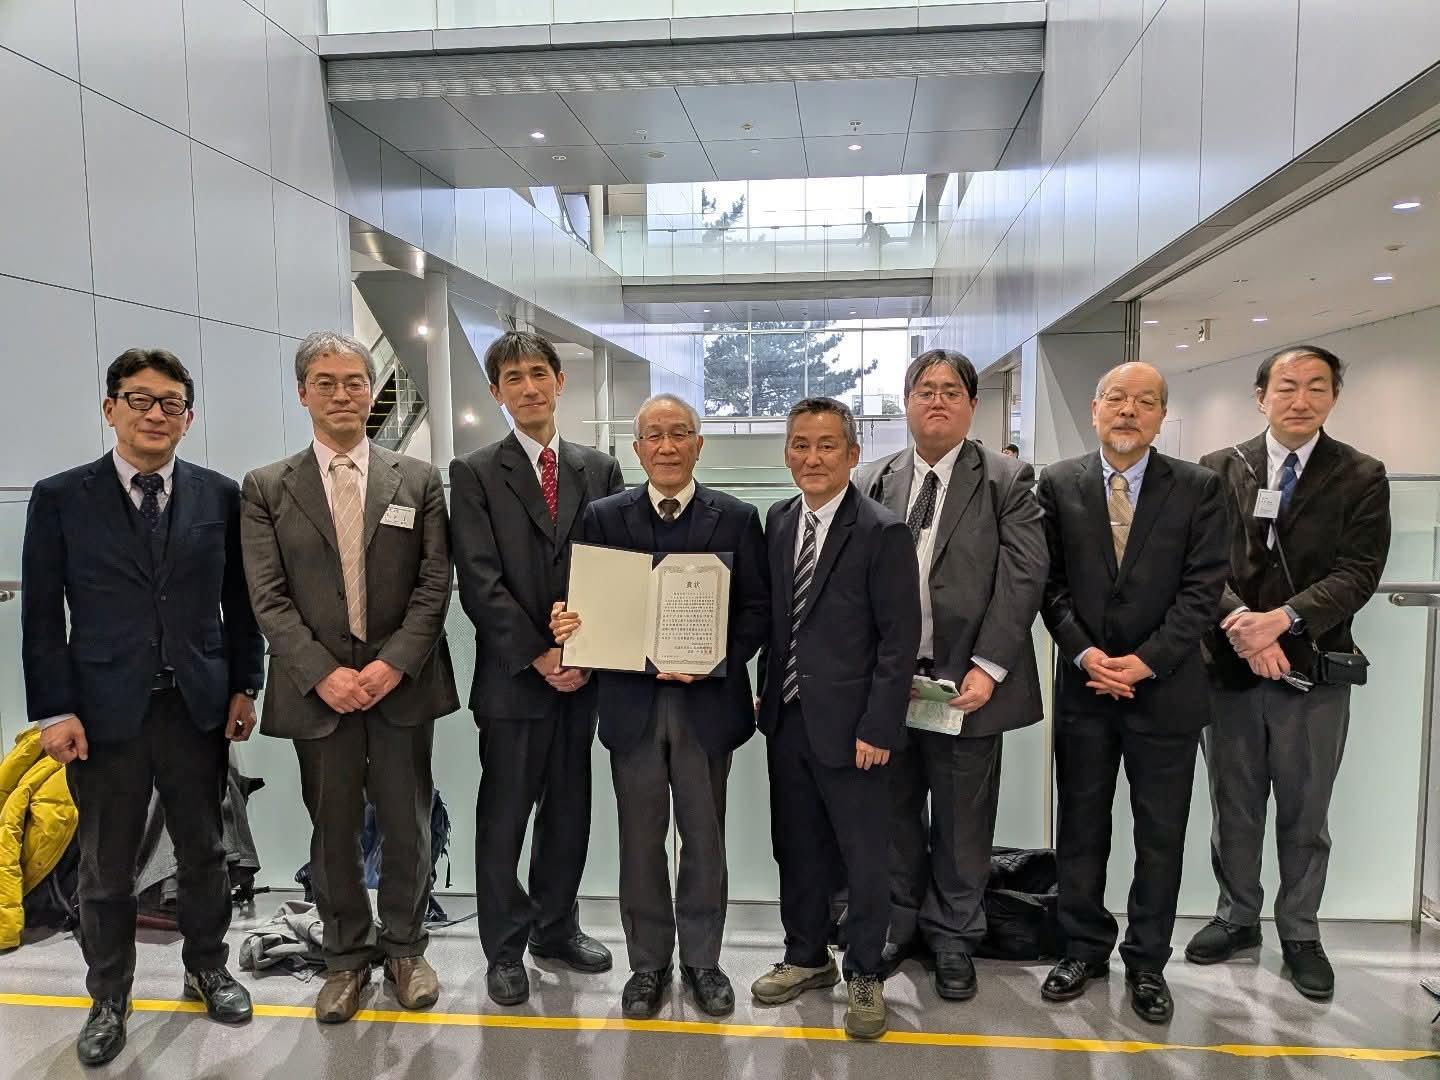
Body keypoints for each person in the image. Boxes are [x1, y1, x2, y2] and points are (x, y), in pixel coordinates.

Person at [21, 348, 264, 1067]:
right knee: (106, 865)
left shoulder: (219, 496)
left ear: (188, 418)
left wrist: (246, 685)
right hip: (102, 715)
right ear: (110, 408)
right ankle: (108, 996)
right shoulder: (61, 497)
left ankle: (208, 968)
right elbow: (42, 618)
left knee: (206, 852)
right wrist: (54, 711)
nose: (155, 414)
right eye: (139, 399)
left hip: (197, 707)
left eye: (171, 403)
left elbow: (240, 604)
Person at [240, 331, 458, 1024]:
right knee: (331, 831)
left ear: (372, 391)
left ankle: (406, 949)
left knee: (408, 824)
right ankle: (344, 958)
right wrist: (323, 673)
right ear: (303, 393)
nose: (342, 394)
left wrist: (392, 664)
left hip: (402, 686)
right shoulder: (267, 487)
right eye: (326, 382)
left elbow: (434, 584)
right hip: (319, 692)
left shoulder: (417, 479)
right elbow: (267, 597)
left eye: (355, 381)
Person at [550, 394, 769, 1020]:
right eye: (654, 436)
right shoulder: (603, 517)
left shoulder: (736, 517)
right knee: (640, 842)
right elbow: (586, 604)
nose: (667, 446)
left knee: (704, 840)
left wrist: (714, 656)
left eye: (679, 434)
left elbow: (757, 610)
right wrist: (570, 623)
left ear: (699, 444)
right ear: (637, 449)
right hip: (632, 707)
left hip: (706, 706)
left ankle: (703, 961)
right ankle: (647, 963)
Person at [1188, 345, 1390, 1001]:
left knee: (1306, 813)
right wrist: (1244, 627)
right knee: (1234, 806)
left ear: (1334, 396)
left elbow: (1359, 573)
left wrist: (1282, 622)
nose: (1300, 399)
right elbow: (1198, 565)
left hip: (1313, 673)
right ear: (1261, 396)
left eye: (1316, 387)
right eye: (1286, 386)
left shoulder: (1361, 474)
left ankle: (1300, 932)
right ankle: (1237, 917)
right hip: (1230, 670)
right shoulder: (1219, 468)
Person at [1036, 362, 1227, 1024]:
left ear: (1161, 416)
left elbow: (1203, 589)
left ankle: (1147, 962)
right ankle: (1083, 948)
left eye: (1145, 402)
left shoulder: (1199, 487)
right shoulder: (1058, 483)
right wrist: (1086, 654)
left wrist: (1145, 662)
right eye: (1116, 398)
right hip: (1085, 688)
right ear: (1095, 409)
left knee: (1160, 835)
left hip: (1166, 692)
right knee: (1081, 827)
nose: (1128, 410)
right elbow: (1049, 584)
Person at [855, 350, 1047, 1001]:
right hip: (892, 685)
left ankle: (955, 936)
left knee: (964, 821)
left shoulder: (1006, 478)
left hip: (967, 685)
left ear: (971, 404)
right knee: (894, 813)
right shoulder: (875, 478)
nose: (936, 400)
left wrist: (989, 667)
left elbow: (1023, 577)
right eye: (925, 390)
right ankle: (900, 923)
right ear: (907, 402)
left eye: (950, 391)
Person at [449, 331, 623, 1007]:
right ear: (497, 392)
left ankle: (556, 927)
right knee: (504, 820)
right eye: (513, 378)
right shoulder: (474, 472)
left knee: (570, 813)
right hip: (514, 680)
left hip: (583, 679)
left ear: (559, 381)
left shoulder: (598, 468)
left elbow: (615, 568)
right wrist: (540, 653)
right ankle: (504, 947)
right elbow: (479, 580)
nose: (528, 387)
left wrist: (585, 653)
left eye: (538, 374)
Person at [751, 397, 920, 1040]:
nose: (812, 457)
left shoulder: (881, 530)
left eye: (826, 445)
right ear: (786, 453)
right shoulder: (778, 520)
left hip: (856, 730)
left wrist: (879, 726)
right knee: (795, 845)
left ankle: (866, 972)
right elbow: (776, 620)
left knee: (864, 855)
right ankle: (805, 955)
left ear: (852, 454)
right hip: (788, 718)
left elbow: (898, 641)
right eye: (800, 444)